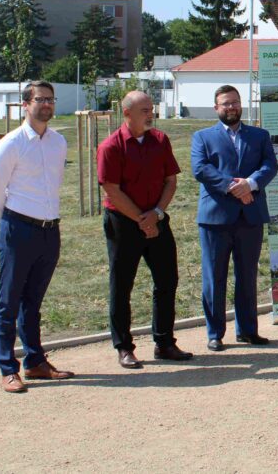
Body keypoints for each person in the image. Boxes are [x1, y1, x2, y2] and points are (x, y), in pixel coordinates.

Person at [0, 80, 74, 393]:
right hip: (18, 228)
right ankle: (8, 368)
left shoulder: (58, 142)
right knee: (8, 301)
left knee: (33, 302)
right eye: (40, 99)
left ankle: (35, 361)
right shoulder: (11, 143)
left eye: (51, 99)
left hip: (49, 231)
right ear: (26, 104)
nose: (47, 104)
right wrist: (11, 225)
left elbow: (54, 186)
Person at [97, 90, 192, 367]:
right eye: (144, 111)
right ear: (127, 114)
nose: (151, 114)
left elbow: (170, 181)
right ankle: (124, 347)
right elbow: (112, 190)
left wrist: (157, 214)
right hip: (123, 223)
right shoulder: (111, 146)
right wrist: (142, 219)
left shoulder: (160, 140)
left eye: (151, 109)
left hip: (157, 216)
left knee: (167, 281)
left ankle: (164, 343)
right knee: (122, 284)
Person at [191, 85, 278, 352]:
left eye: (235, 103)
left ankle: (248, 331)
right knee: (214, 278)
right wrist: (233, 186)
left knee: (247, 276)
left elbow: (270, 165)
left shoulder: (259, 135)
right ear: (216, 108)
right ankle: (215, 333)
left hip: (250, 216)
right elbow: (200, 168)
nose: (231, 107)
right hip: (215, 218)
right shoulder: (202, 137)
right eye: (225, 104)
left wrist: (251, 184)